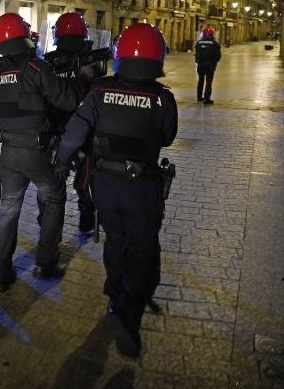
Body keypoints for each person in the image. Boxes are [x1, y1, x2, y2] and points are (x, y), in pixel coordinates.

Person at [55, 23, 178, 357]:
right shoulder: (163, 99)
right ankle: (129, 310)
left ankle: (114, 291)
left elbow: (73, 135)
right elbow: (167, 137)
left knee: (115, 237)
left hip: (105, 186)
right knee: (142, 246)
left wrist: (61, 165)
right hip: (142, 187)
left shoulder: (98, 91)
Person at [0, 12, 87, 292]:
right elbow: (67, 100)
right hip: (35, 150)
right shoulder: (37, 67)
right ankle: (46, 261)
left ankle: (0, 272)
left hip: (8, 151)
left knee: (9, 209)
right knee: (54, 195)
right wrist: (82, 79)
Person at [43, 12, 102, 234]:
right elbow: (98, 95)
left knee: (53, 180)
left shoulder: (47, 62)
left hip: (54, 129)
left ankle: (47, 222)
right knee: (85, 178)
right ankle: (87, 213)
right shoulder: (90, 63)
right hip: (83, 132)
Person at [195, 25, 221, 104]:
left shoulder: (199, 43)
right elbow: (218, 56)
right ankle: (207, 99)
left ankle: (199, 97)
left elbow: (197, 54)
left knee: (200, 80)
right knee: (209, 82)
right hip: (210, 65)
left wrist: (198, 61)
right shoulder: (215, 43)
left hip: (200, 65)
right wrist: (214, 62)